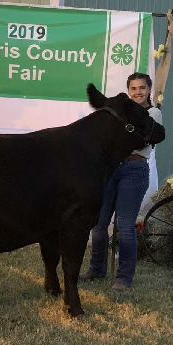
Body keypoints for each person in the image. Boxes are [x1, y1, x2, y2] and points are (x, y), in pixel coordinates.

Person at [79, 72, 163, 292]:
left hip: (134, 170)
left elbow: (144, 140)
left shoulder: (152, 113)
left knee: (125, 225)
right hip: (112, 168)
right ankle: (97, 268)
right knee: (98, 223)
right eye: (134, 89)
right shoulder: (120, 112)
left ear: (149, 90)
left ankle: (124, 277)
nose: (138, 92)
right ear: (128, 91)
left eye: (142, 88)